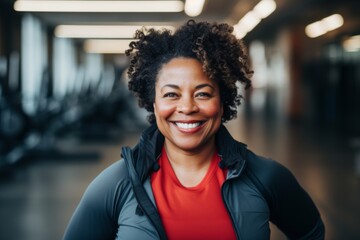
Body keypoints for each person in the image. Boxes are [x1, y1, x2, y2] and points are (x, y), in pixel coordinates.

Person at [63, 20, 325, 240]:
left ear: (222, 103)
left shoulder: (266, 177)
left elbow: (311, 232)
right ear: (153, 104)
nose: (187, 107)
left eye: (202, 93)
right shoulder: (115, 185)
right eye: (171, 95)